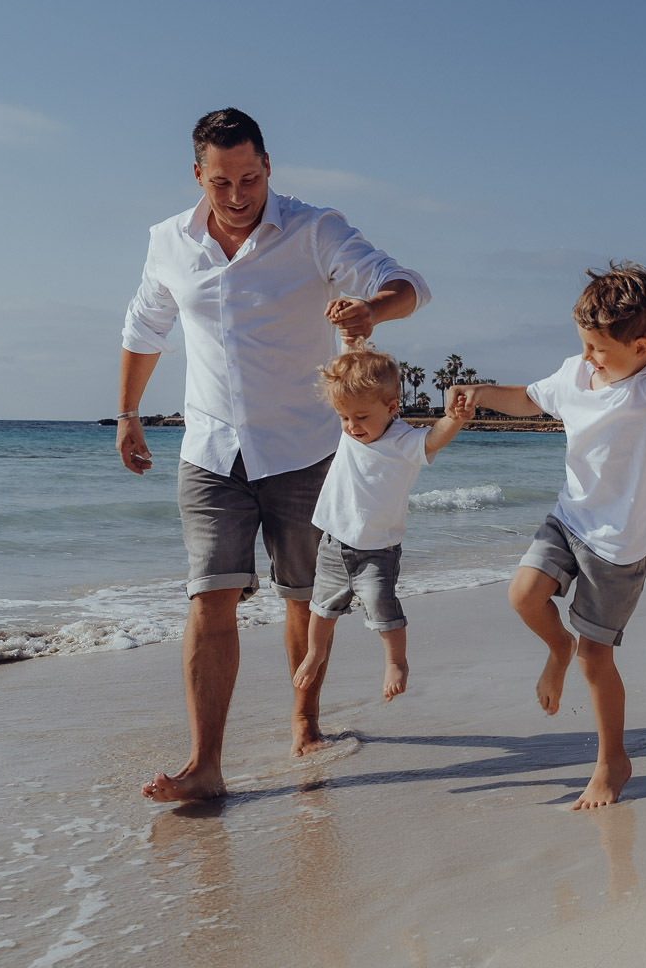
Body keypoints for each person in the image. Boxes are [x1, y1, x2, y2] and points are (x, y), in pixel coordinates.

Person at [118, 108, 430, 801]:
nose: (236, 196)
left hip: (307, 449)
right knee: (210, 596)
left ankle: (304, 722)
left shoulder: (315, 230)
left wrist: (371, 309)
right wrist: (129, 415)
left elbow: (408, 284)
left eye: (250, 178)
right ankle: (205, 766)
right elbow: (144, 327)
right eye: (220, 182)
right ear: (197, 175)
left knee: (303, 598)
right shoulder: (169, 241)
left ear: (269, 168)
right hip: (210, 448)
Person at [450, 260, 646, 809]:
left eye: (600, 348)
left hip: (618, 547)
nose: (588, 356)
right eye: (584, 343)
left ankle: (612, 762)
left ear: (643, 346)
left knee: (595, 660)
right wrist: (481, 391)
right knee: (523, 594)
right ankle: (557, 645)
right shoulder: (575, 374)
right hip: (569, 517)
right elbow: (530, 400)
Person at [293, 346, 473, 723]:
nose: (352, 426)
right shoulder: (351, 432)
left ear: (392, 408)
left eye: (360, 417)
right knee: (321, 607)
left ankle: (396, 662)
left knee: (382, 606)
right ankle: (315, 652)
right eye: (343, 417)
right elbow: (349, 363)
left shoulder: (403, 441)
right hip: (332, 542)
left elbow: (435, 438)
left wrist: (453, 419)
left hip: (377, 550)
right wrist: (350, 337)